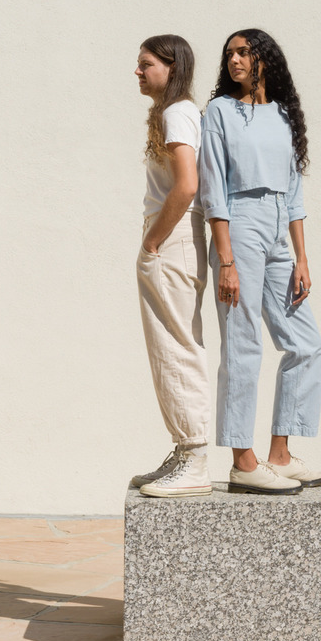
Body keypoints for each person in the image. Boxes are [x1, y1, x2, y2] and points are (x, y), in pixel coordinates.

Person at [199, 29, 321, 494]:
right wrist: (226, 260)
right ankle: (243, 460)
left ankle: (280, 454)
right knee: (243, 343)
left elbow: (293, 192)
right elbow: (212, 188)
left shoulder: (283, 115)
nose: (234, 60)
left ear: (263, 60)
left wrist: (302, 258)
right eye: (229, 54)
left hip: (278, 230)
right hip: (240, 221)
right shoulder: (219, 112)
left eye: (243, 52)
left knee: (305, 344)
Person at [129, 35, 215, 497]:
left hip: (172, 239)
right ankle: (186, 451)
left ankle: (195, 457)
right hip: (175, 239)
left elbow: (185, 186)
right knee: (171, 344)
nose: (137, 72)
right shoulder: (176, 112)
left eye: (145, 65)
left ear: (170, 65)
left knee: (178, 345)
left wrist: (152, 242)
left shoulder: (177, 113)